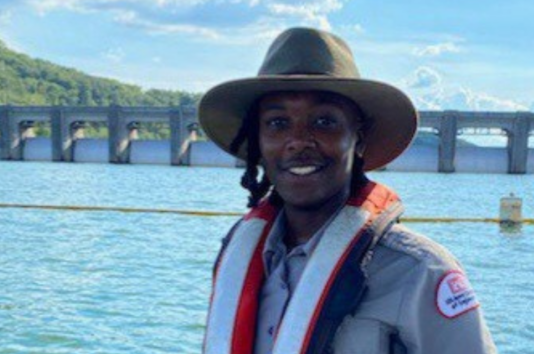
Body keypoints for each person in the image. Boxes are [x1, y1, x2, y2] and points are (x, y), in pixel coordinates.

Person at [199, 27, 496, 354]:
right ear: (258, 139)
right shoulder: (238, 255)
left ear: (359, 138)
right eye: (277, 123)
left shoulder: (419, 271)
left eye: (324, 121)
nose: (298, 140)